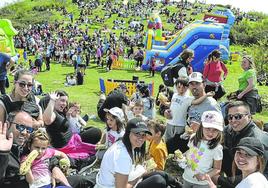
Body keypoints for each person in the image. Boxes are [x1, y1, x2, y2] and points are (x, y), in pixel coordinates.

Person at [40, 91, 101, 166]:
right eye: (62, 100)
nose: (64, 104)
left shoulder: (59, 111)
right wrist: (52, 100)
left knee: (91, 129)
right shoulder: (52, 113)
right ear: (55, 100)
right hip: (68, 146)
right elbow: (46, 119)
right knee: (96, 132)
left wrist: (68, 115)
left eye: (66, 101)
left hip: (73, 138)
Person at [216, 101, 268, 187]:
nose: (233, 120)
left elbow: (256, 173)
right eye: (230, 117)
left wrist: (219, 179)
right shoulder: (231, 129)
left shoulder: (257, 140)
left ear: (249, 117)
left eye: (238, 116)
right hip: (238, 166)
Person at [95, 118, 151, 188]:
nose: (141, 138)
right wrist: (138, 178)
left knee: (154, 174)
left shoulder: (121, 143)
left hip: (106, 182)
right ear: (128, 133)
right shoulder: (123, 155)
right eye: (137, 134)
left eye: (143, 135)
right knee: (157, 180)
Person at [164, 77, 215, 153]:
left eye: (184, 87)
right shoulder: (174, 95)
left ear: (187, 88)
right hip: (169, 122)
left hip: (180, 125)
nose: (181, 89)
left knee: (174, 142)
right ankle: (164, 153)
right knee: (166, 141)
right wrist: (166, 109)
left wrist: (206, 96)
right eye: (179, 87)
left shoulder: (188, 98)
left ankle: (174, 156)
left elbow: (197, 101)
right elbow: (171, 105)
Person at [182, 111, 224, 188]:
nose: (211, 133)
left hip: (202, 184)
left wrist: (205, 176)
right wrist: (182, 157)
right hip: (186, 177)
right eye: (208, 128)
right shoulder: (193, 137)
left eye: (215, 130)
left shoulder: (217, 148)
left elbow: (217, 169)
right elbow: (189, 151)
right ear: (201, 127)